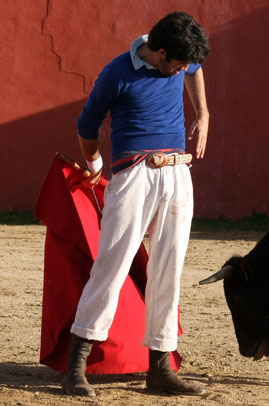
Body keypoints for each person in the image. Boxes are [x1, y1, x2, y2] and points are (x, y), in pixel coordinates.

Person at [62, 11, 210, 397]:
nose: (181, 70)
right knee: (112, 264)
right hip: (134, 175)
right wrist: (94, 164)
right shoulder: (115, 74)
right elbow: (86, 126)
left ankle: (160, 369)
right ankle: (75, 366)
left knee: (169, 269)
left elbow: (194, 69)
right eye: (175, 65)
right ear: (160, 52)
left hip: (178, 173)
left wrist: (204, 113)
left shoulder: (179, 55)